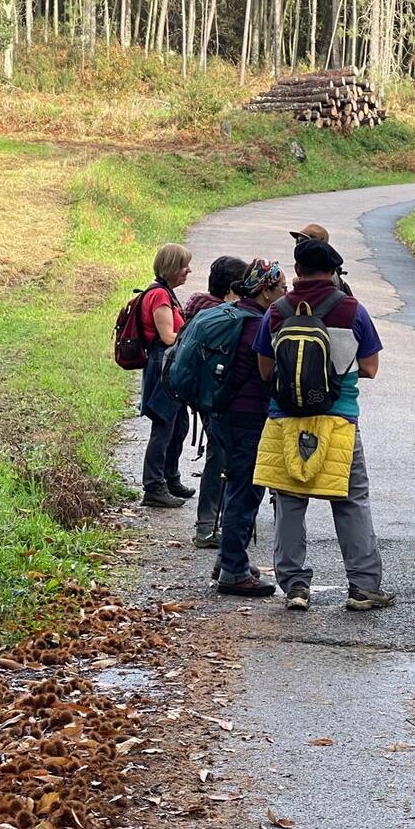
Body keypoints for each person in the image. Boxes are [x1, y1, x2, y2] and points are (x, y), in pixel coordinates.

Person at [253, 236, 394, 612]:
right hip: (338, 420)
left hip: (285, 419)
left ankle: (295, 587)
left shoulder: (277, 311)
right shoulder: (352, 310)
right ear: (333, 272)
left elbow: (265, 370)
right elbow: (371, 367)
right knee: (350, 501)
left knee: (289, 502)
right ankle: (363, 587)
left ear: (297, 270)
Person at [210, 259, 287, 598]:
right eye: (281, 288)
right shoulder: (259, 326)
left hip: (222, 414)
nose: (286, 293)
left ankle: (228, 558)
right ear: (265, 290)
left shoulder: (233, 314)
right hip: (248, 417)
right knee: (246, 490)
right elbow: (268, 373)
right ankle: (234, 571)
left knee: (234, 486)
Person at [181, 255, 248, 548]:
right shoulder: (225, 317)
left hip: (201, 395)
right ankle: (208, 525)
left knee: (218, 454)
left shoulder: (197, 306)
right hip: (220, 398)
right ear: (232, 289)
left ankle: (212, 522)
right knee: (220, 457)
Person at [139, 243, 196, 508]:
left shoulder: (165, 293)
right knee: (164, 427)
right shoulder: (160, 296)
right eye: (184, 266)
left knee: (179, 425)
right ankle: (154, 486)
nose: (188, 271)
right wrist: (194, 337)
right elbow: (168, 337)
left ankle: (170, 478)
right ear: (172, 267)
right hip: (163, 366)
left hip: (168, 366)